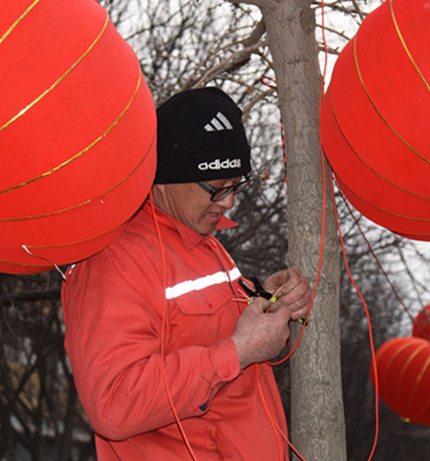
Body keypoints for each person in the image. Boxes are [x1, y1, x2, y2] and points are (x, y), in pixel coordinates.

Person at [61, 87, 312, 461]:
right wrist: (239, 351)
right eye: (216, 189)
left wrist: (271, 301)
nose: (228, 202)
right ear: (166, 176)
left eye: (236, 186)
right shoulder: (113, 260)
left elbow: (211, 333)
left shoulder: (202, 241)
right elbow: (114, 404)